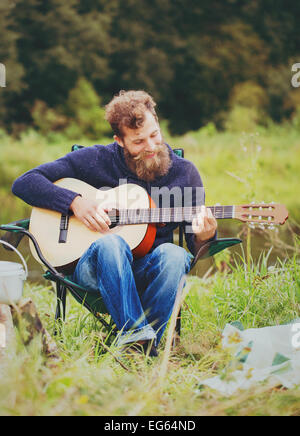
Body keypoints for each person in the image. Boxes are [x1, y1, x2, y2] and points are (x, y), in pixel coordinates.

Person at [12, 90, 217, 356]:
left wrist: (205, 235)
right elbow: (25, 183)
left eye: (154, 135)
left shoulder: (184, 174)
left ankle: (139, 348)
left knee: (176, 255)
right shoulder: (95, 160)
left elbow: (198, 249)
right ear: (119, 140)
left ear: (157, 122)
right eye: (139, 141)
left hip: (148, 272)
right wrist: (74, 202)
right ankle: (137, 340)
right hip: (92, 269)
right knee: (111, 243)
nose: (151, 146)